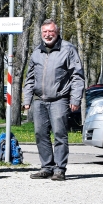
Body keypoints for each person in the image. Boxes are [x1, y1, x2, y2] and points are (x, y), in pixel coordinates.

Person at [22, 19, 85, 180]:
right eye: (45, 32)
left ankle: (59, 169)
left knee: (59, 133)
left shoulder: (68, 49)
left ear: (57, 32)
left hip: (59, 99)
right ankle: (46, 167)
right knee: (40, 133)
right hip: (39, 100)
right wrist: (26, 99)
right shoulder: (37, 52)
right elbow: (30, 78)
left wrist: (75, 99)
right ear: (41, 33)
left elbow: (77, 76)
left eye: (51, 31)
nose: (48, 35)